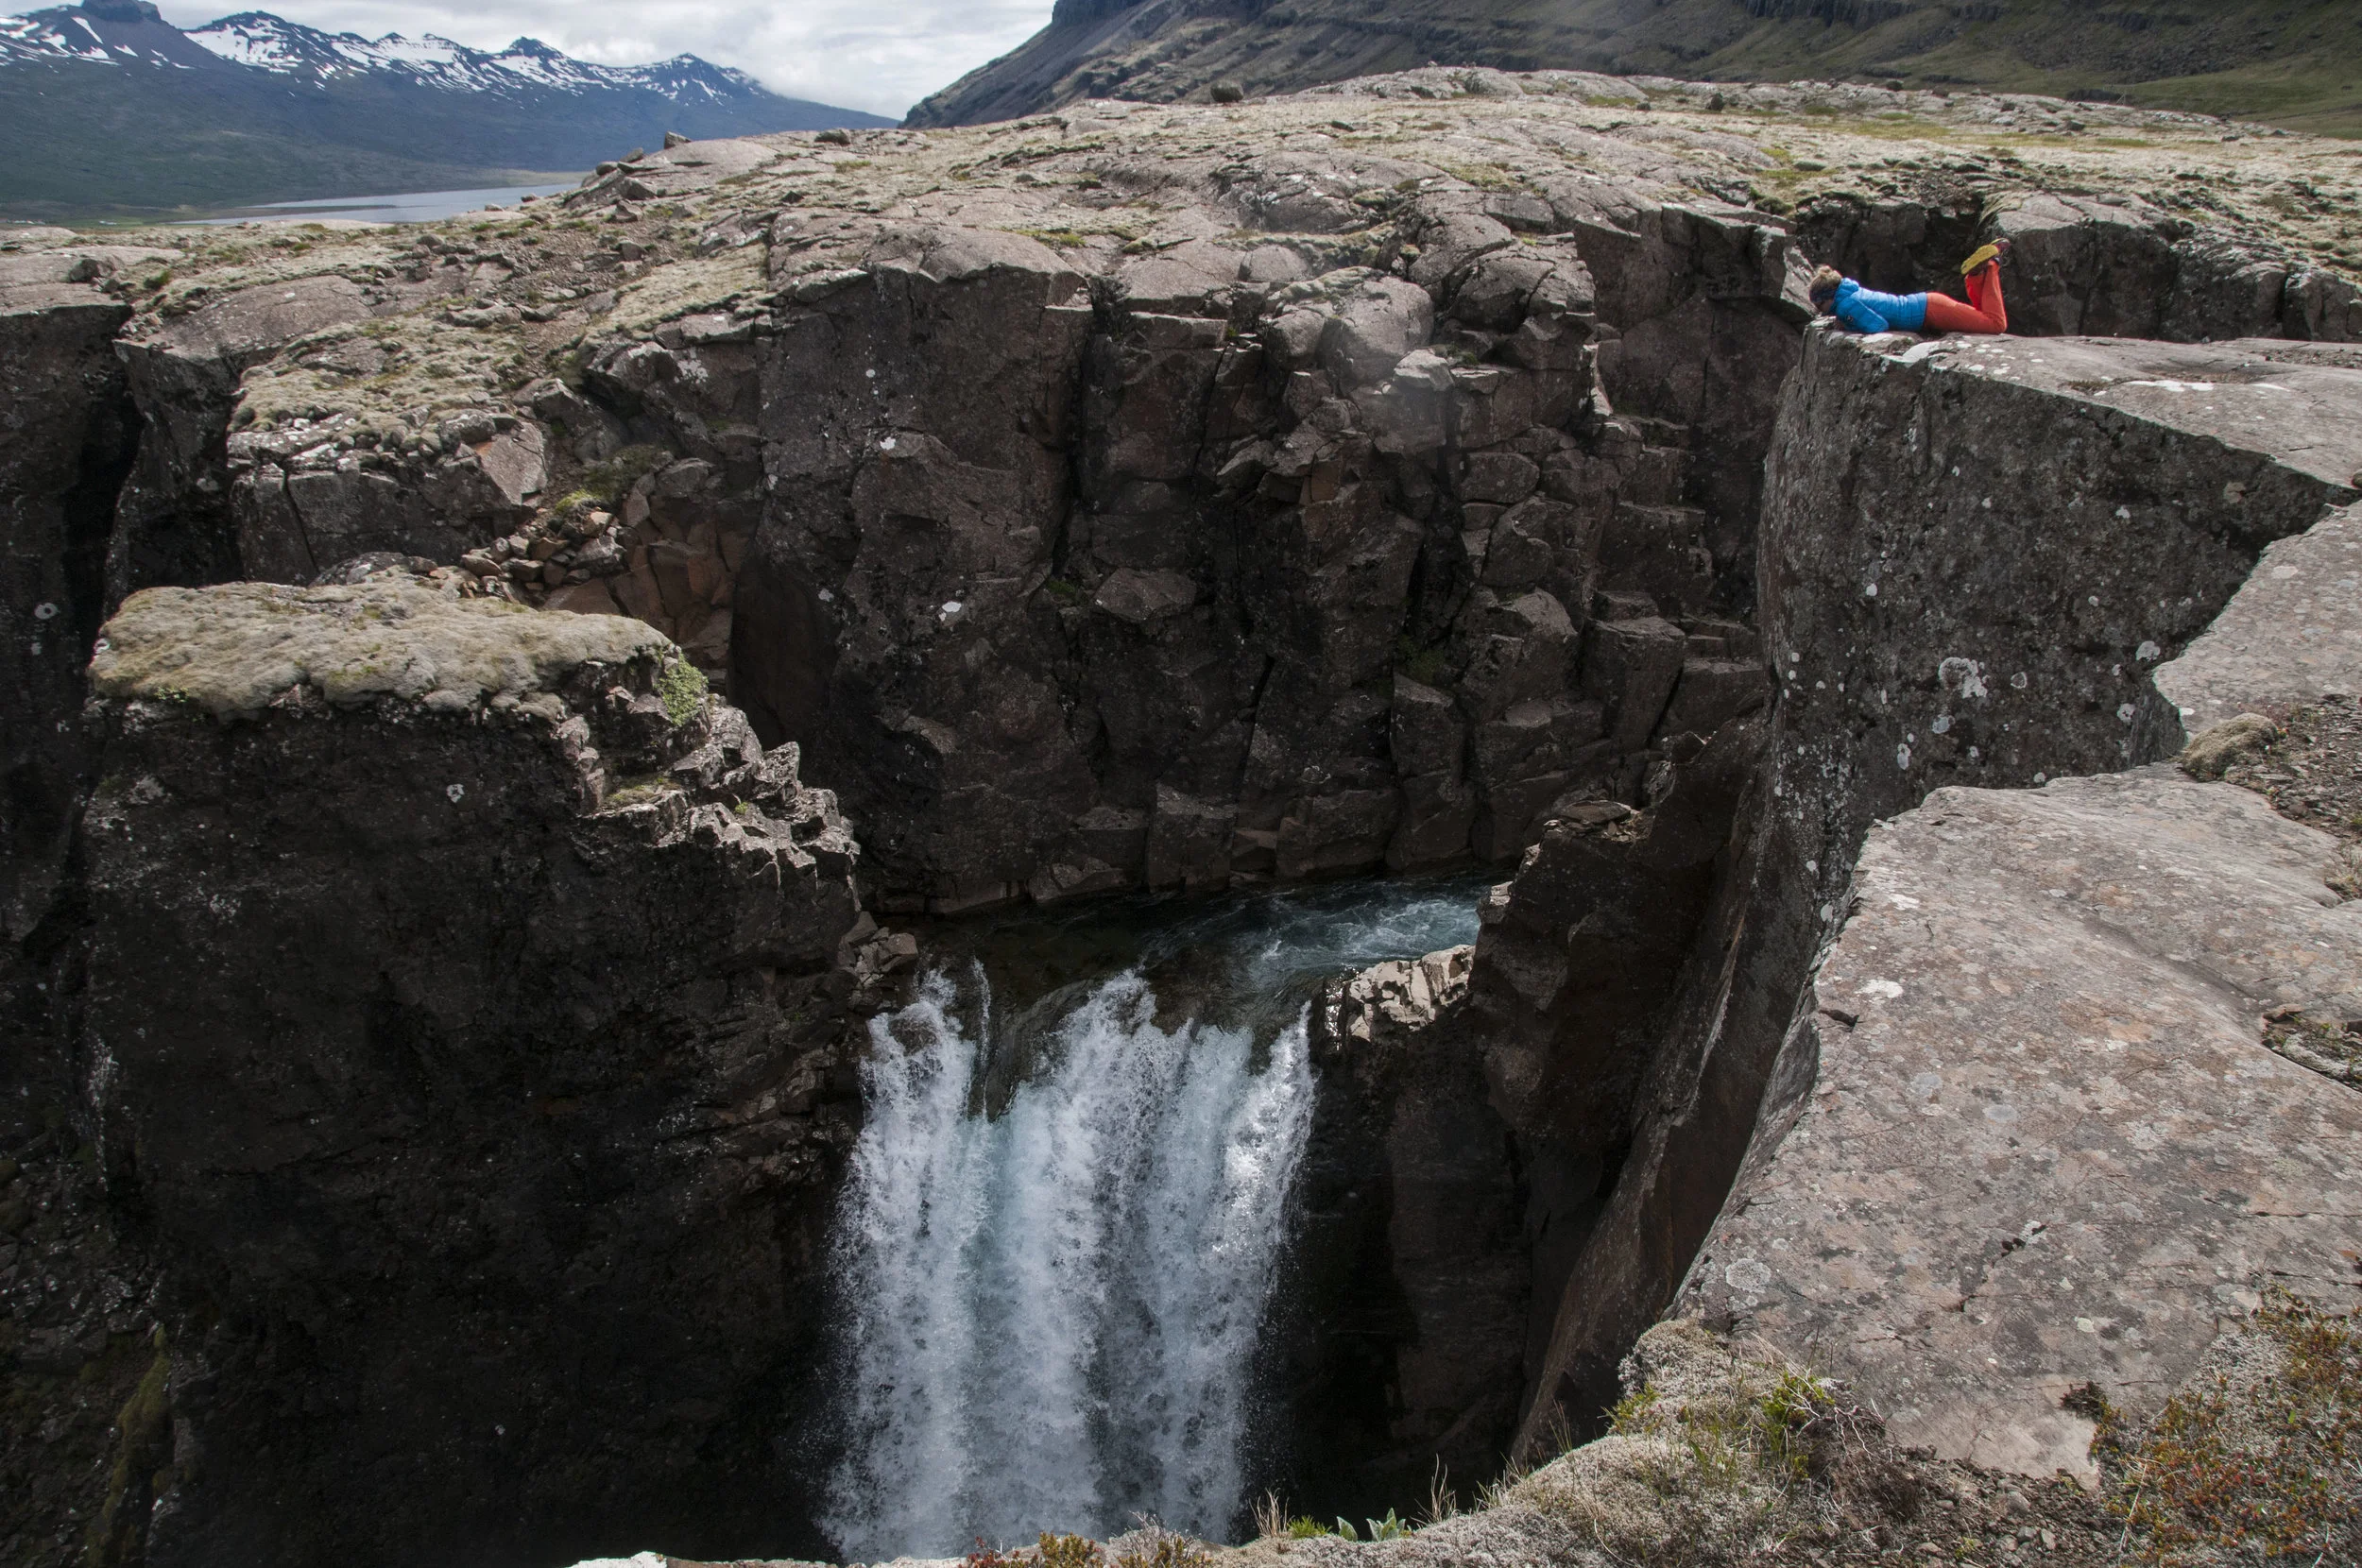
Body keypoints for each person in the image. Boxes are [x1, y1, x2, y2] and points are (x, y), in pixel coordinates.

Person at [1808, 240, 2010, 334]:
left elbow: (1878, 326)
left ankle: (1991, 266)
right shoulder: (1851, 293)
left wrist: (1848, 324)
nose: (1820, 311)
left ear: (1829, 297)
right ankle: (1976, 274)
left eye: (1820, 305)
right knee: (1982, 316)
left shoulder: (1846, 306)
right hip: (1929, 305)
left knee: (1995, 324)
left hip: (1930, 312)